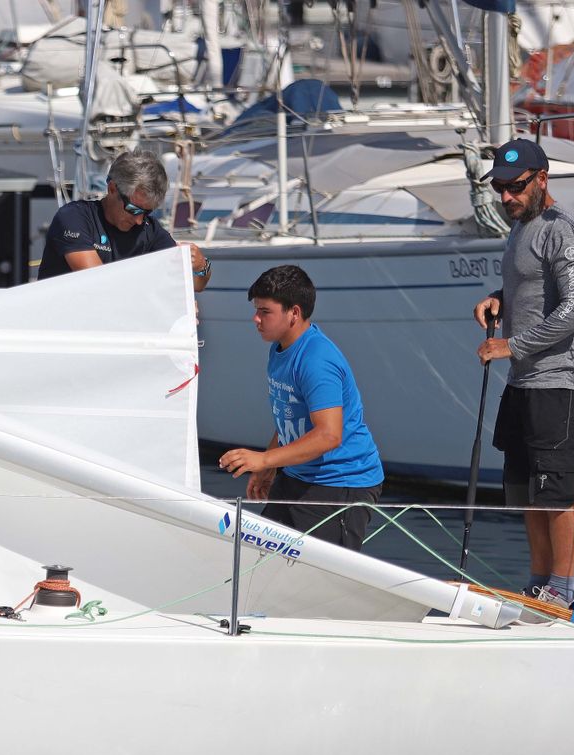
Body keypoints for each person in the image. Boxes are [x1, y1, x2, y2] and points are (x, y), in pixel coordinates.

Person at [472, 138, 574, 606]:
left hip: (560, 383)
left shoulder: (563, 230)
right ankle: (539, 584)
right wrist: (498, 299)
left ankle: (561, 592)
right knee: (526, 490)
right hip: (523, 383)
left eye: (515, 186)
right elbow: (531, 287)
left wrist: (511, 345)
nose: (506, 196)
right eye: (499, 188)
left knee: (557, 492)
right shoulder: (520, 227)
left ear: (542, 179)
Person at [218, 265, 384, 551]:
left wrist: (264, 460)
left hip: (340, 483)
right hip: (298, 475)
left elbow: (329, 435)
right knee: (258, 556)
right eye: (256, 310)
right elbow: (289, 414)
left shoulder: (317, 360)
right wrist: (271, 465)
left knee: (319, 574)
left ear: (294, 313)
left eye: (265, 311)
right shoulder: (280, 348)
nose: (256, 319)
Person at [35, 151, 212, 293]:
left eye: (147, 212)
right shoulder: (74, 217)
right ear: (112, 189)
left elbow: (196, 285)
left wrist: (201, 266)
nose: (139, 220)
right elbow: (97, 283)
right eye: (134, 210)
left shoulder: (149, 230)